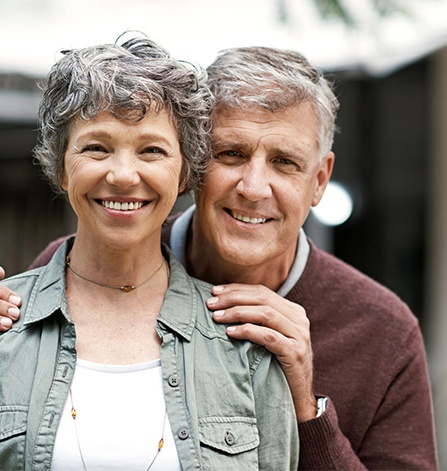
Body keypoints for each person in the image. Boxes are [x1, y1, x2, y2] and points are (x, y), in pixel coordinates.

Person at [0, 45, 437, 470]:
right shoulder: (76, 267)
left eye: (284, 162)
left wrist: (308, 409)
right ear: (195, 163)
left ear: (320, 179)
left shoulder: (383, 329)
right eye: (231, 154)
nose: (253, 187)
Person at [0, 37, 299, 470]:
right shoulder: (6, 328)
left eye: (152, 150)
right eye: (96, 147)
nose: (123, 175)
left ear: (184, 174)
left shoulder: (244, 347)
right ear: (61, 167)